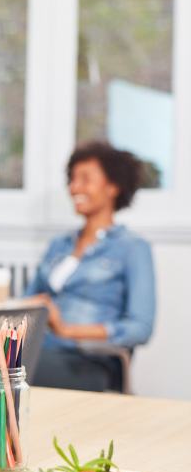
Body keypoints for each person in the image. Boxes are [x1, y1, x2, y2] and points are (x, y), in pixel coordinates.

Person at [26, 142, 155, 392]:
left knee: (2, 370)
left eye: (85, 179)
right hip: (41, 349)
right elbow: (26, 299)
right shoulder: (59, 245)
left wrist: (66, 329)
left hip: (89, 361)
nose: (74, 187)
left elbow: (141, 328)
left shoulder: (133, 249)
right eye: (72, 179)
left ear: (113, 186)